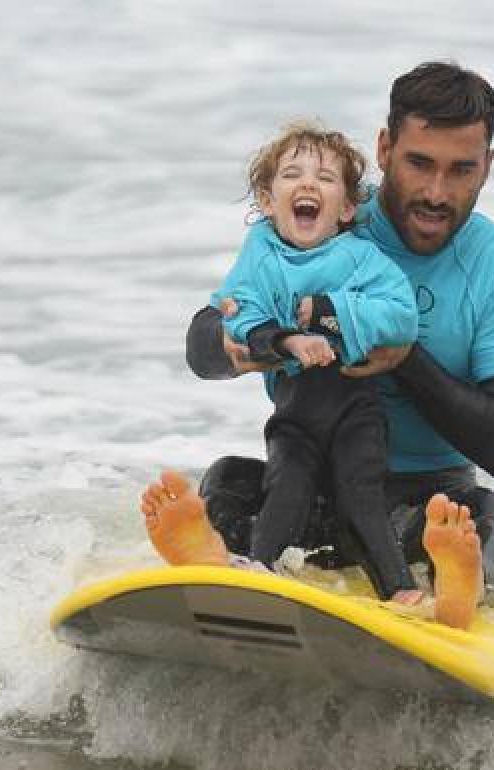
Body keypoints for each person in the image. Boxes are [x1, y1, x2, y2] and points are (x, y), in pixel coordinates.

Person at [171, 61, 494, 631]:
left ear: (488, 166)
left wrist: (404, 359)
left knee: (485, 524)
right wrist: (245, 346)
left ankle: (451, 596)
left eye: (461, 170)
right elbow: (205, 341)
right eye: (419, 163)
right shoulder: (325, 216)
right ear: (384, 148)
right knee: (225, 480)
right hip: (306, 488)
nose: (436, 192)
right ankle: (221, 570)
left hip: (428, 508)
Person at [144, 119, 432, 610]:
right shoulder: (260, 254)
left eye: (324, 179)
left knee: (359, 490)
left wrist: (329, 313)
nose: (306, 184)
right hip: (296, 410)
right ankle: (258, 569)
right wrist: (284, 340)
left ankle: (399, 586)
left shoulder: (360, 258)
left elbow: (402, 316)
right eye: (291, 174)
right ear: (265, 198)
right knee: (285, 485)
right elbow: (237, 311)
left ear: (346, 208)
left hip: (354, 411)